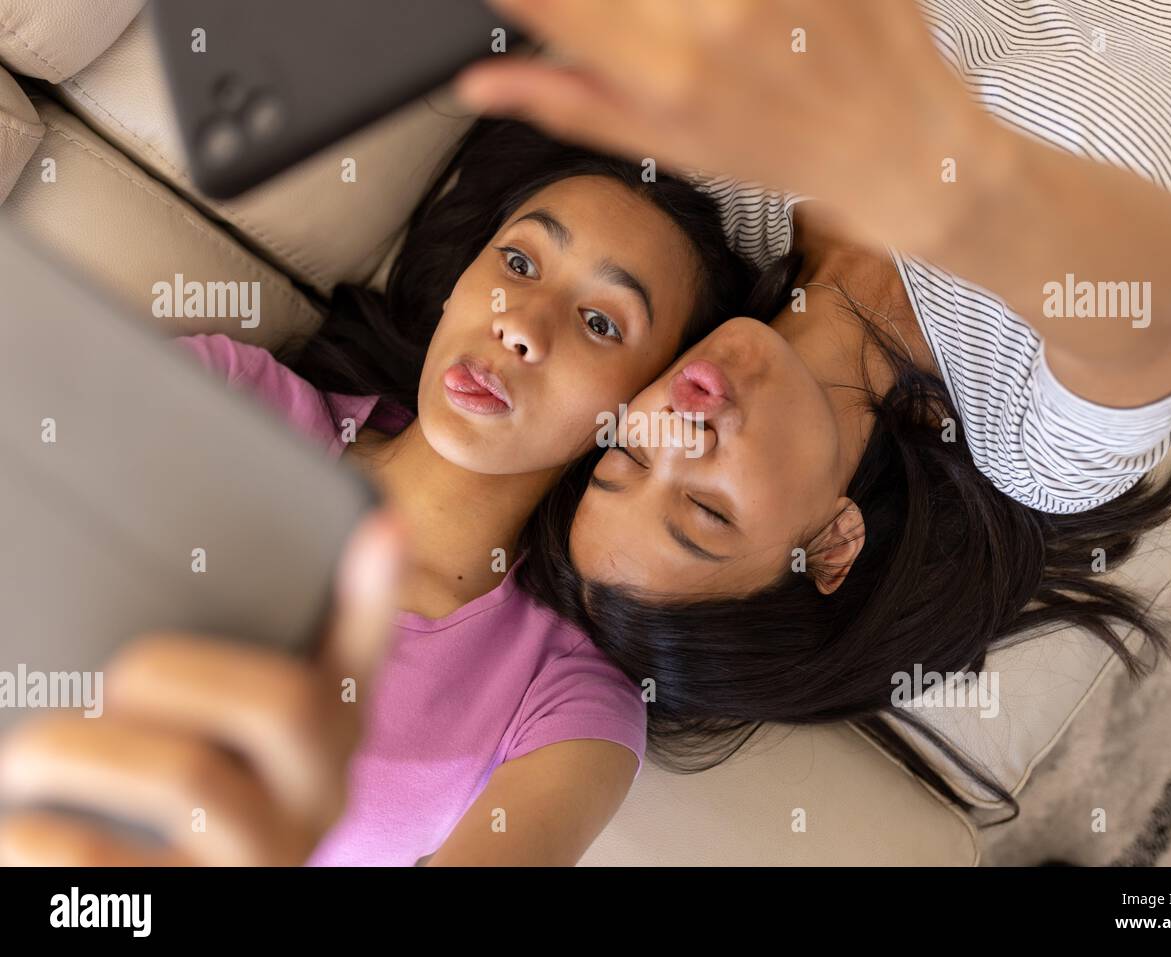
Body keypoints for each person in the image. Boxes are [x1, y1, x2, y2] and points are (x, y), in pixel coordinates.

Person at [461, 0, 1171, 810]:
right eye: (706, 510)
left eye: (631, 458)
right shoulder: (1039, 447)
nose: (676, 433)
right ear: (833, 541)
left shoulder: (729, 185)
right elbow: (1158, 285)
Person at [0, 120, 757, 866]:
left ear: (639, 414)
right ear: (464, 279)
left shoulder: (567, 704)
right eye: (519, 263)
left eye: (600, 322)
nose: (521, 325)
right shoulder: (232, 399)